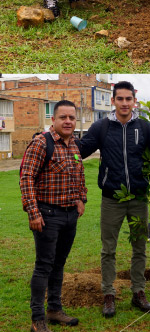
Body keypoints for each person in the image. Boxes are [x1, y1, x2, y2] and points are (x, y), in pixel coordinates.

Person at [78, 81, 150, 318]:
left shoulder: (144, 127)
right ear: (113, 101)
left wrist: (149, 183)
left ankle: (138, 292)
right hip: (111, 199)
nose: (125, 103)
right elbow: (80, 151)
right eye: (120, 99)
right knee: (108, 249)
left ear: (135, 101)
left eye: (129, 99)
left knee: (139, 247)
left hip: (138, 199)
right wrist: (55, 138)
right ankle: (108, 295)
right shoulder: (101, 127)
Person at [20, 101, 87, 332]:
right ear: (53, 120)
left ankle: (54, 309)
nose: (68, 121)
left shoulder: (74, 145)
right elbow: (26, 177)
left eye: (71, 117)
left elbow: (79, 175)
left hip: (69, 215)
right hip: (47, 215)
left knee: (59, 265)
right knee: (44, 266)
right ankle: (37, 319)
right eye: (63, 117)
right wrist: (33, 212)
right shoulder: (41, 143)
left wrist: (81, 198)